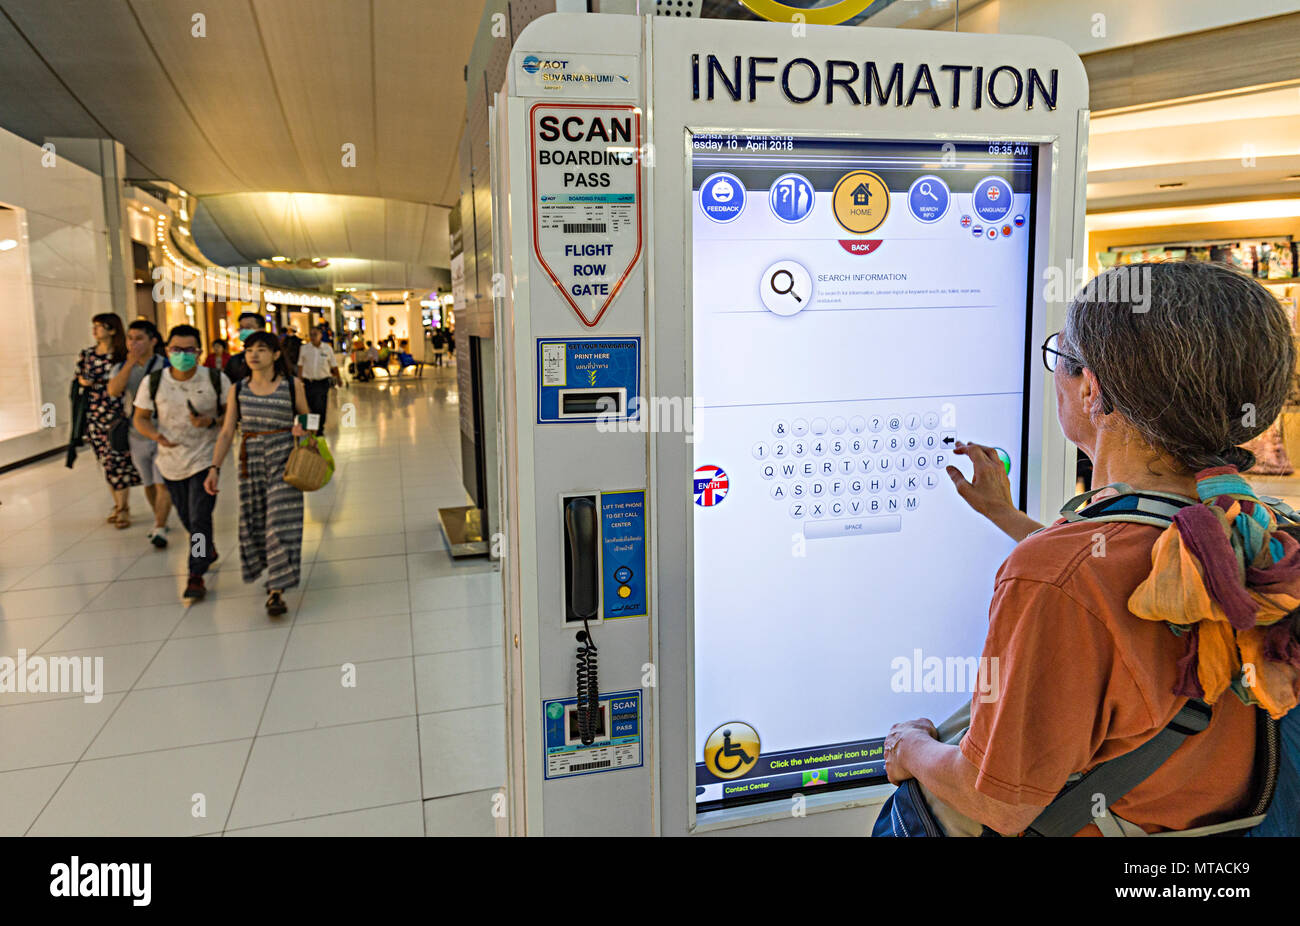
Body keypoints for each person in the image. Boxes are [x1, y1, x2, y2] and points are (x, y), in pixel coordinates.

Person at [882, 262, 1300, 836]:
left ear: (1092, 387)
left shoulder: (1056, 574)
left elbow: (999, 802)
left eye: (1061, 356)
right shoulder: (1260, 533)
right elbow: (1126, 593)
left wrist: (910, 750)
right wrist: (1009, 518)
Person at [205, 331, 311, 617]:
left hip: (285, 459)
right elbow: (228, 431)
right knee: (256, 519)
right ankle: (268, 568)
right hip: (250, 462)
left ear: (276, 355)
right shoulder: (238, 389)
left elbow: (310, 417)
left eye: (261, 349)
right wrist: (214, 468)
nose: (253, 355)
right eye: (249, 349)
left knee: (280, 519)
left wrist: (302, 427)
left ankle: (276, 588)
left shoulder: (292, 385)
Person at [133, 325, 229, 601]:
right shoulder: (154, 382)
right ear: (167, 351)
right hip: (170, 463)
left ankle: (196, 573)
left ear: (199, 353)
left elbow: (230, 417)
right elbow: (140, 417)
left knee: (199, 518)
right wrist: (155, 436)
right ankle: (206, 549)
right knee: (188, 518)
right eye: (177, 350)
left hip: (205, 459)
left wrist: (209, 421)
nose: (182, 355)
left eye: (189, 350)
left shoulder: (214, 379)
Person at [107, 319, 171, 547]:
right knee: (149, 482)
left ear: (153, 341)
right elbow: (114, 391)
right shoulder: (121, 366)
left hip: (163, 431)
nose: (133, 343)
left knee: (161, 480)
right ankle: (159, 517)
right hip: (136, 433)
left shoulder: (165, 365)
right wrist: (129, 364)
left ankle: (160, 525)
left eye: (139, 339)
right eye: (130, 339)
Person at [76, 313, 140, 528]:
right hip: (93, 417)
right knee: (105, 461)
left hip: (117, 415)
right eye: (93, 326)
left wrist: (95, 382)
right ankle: (118, 504)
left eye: (100, 326)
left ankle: (123, 508)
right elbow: (80, 378)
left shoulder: (121, 357)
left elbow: (123, 384)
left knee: (118, 460)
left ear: (112, 330)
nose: (95, 330)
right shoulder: (87, 355)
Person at [297, 325, 341, 427]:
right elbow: (300, 365)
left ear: (321, 335)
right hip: (309, 382)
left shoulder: (327, 348)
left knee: (320, 406)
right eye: (311, 335)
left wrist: (339, 378)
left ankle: (319, 427)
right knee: (310, 405)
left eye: (315, 334)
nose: (313, 337)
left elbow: (334, 365)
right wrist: (299, 381)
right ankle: (311, 428)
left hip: (322, 382)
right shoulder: (304, 348)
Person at [223, 312, 264, 383]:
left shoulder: (274, 357)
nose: (244, 331)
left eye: (248, 327)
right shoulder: (235, 361)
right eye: (241, 328)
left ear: (262, 330)